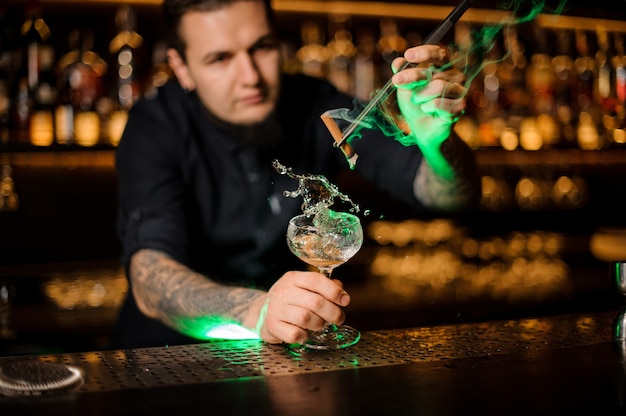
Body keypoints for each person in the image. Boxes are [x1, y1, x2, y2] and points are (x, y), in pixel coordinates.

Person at [113, 0, 480, 349]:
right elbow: (150, 278)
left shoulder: (316, 104)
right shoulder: (155, 126)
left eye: (262, 47)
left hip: (281, 355)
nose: (250, 77)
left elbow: (451, 196)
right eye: (220, 58)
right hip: (163, 362)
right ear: (181, 67)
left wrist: (438, 142)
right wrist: (258, 313)